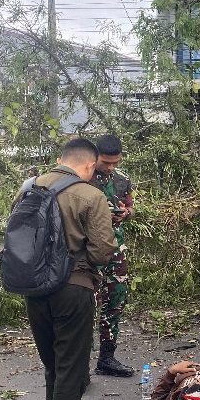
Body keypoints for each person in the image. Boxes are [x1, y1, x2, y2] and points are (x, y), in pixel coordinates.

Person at [16, 138, 117, 400]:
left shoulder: (28, 188)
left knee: (52, 363)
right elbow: (104, 251)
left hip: (33, 287)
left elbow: (18, 237)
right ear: (89, 165)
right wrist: (75, 262)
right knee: (71, 364)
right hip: (73, 288)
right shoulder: (91, 195)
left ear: (61, 159)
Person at [88, 135, 136, 378]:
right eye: (106, 162)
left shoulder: (122, 180)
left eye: (115, 162)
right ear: (95, 157)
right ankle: (78, 364)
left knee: (116, 300)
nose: (110, 167)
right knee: (86, 303)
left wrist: (125, 213)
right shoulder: (83, 179)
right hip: (90, 251)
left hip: (116, 250)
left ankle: (107, 358)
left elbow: (131, 206)